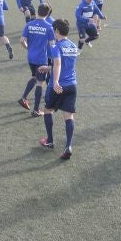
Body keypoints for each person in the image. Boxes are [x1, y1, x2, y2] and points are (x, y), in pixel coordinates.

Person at [39, 18, 80, 160]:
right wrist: (48, 67)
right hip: (72, 85)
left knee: (47, 110)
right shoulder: (73, 46)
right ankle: (68, 146)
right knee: (69, 116)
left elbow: (57, 63)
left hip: (58, 85)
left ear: (56, 31)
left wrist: (55, 81)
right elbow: (65, 64)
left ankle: (50, 141)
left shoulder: (56, 47)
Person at [18, 3, 54, 117]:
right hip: (41, 59)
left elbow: (22, 40)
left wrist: (29, 48)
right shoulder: (49, 27)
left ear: (38, 11)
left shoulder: (29, 24)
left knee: (34, 77)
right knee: (40, 82)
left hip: (31, 57)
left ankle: (23, 98)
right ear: (47, 13)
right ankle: (36, 110)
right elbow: (52, 45)